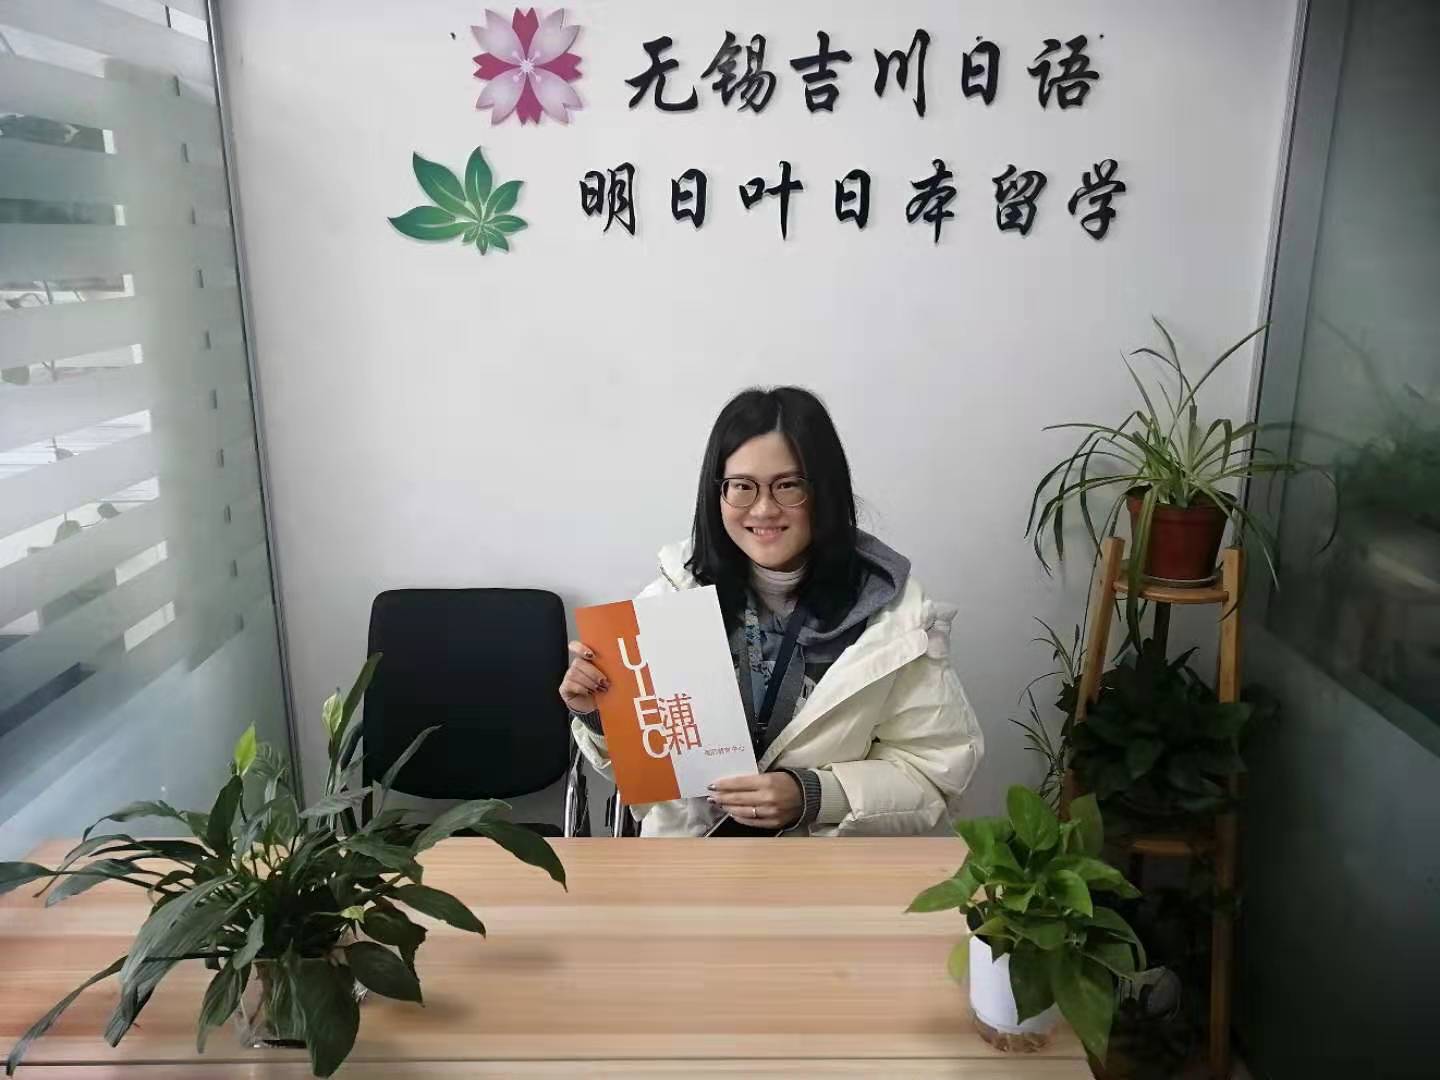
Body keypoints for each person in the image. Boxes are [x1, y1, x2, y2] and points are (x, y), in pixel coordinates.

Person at [560, 386, 983, 836]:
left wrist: (814, 795)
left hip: (823, 869)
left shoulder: (894, 619)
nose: (763, 509)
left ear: (824, 490)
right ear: (717, 493)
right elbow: (649, 782)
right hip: (687, 864)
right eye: (742, 486)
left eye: (788, 485)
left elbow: (935, 772)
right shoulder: (671, 598)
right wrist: (600, 714)